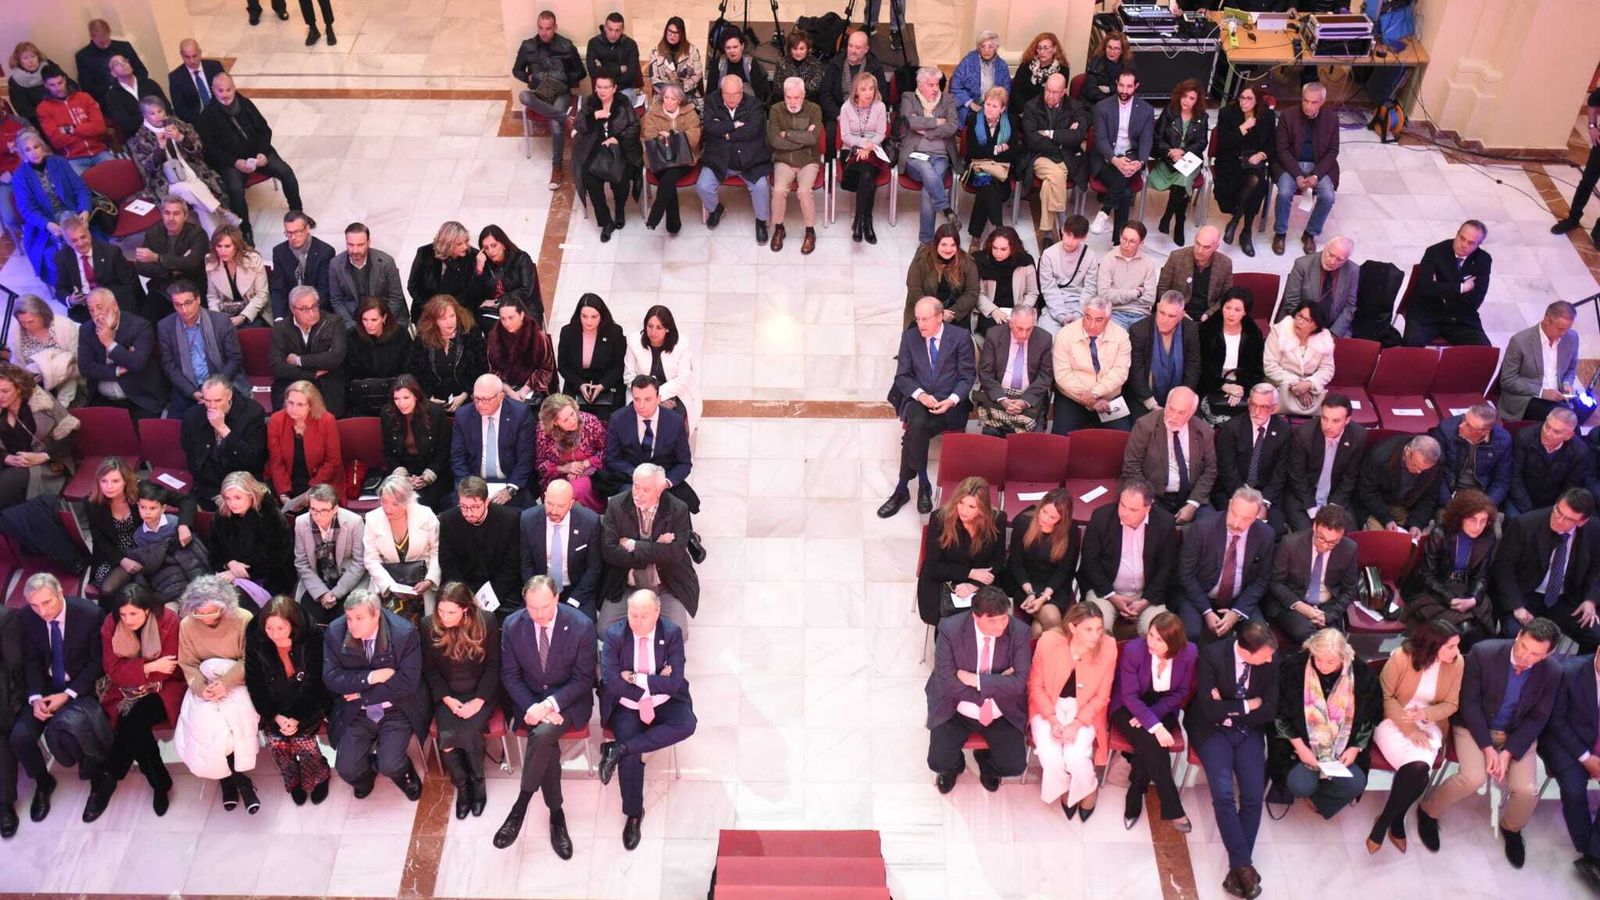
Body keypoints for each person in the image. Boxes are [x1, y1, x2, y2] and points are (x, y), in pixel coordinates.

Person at [1417, 620, 1562, 868]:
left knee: (1527, 790)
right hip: (1476, 727)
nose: (1526, 657)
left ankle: (1512, 829)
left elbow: (1538, 717)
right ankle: (1428, 811)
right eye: (1523, 647)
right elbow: (1469, 704)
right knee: (1472, 778)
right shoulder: (1483, 653)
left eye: (1536, 654)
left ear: (1548, 654)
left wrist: (1507, 753)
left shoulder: (1553, 672)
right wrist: (1487, 748)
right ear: (1518, 635)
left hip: (1516, 734)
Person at [493, 575, 596, 855]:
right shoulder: (513, 625)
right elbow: (510, 676)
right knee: (545, 741)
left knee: (543, 733)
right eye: (532, 608)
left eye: (545, 607)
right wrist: (532, 707)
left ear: (557, 599)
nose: (538, 614)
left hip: (569, 702)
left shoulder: (581, 626)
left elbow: (583, 679)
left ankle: (521, 804)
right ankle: (557, 814)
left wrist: (550, 704)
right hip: (529, 701)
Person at [597, 588, 698, 852]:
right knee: (630, 759)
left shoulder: (671, 633)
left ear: (657, 613)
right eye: (633, 615)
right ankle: (633, 814)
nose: (637, 621)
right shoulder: (615, 635)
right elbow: (612, 683)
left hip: (666, 701)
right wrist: (653, 683)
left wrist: (635, 677)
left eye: (644, 616)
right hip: (627, 704)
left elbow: (674, 683)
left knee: (687, 723)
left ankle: (618, 749)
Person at [8, 574, 111, 824]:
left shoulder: (89, 615)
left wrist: (68, 694)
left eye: (46, 603)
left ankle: (96, 780)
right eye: (34, 605)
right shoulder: (26, 617)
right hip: (43, 688)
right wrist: (35, 698)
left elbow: (97, 662)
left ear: (60, 594)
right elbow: (31, 660)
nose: (41, 611)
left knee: (71, 733)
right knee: (19, 737)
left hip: (77, 687)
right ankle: (44, 783)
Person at [1190, 620, 1279, 899]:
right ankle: (1244, 867)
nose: (1271, 658)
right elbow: (1209, 710)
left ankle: (1239, 867)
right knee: (1224, 795)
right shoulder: (1212, 655)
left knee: (1253, 796)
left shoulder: (1271, 663)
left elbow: (1270, 710)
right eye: (1265, 654)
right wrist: (1247, 704)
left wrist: (1229, 709)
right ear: (1247, 651)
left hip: (1248, 732)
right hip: (1212, 731)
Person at [1366, 618, 1464, 853]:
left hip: (1429, 722)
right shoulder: (1401, 657)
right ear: (1433, 645)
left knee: (1419, 770)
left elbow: (1451, 703)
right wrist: (1409, 729)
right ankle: (1395, 820)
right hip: (1393, 718)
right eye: (1451, 646)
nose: (1457, 651)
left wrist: (1426, 714)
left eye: (1457, 645)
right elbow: (1385, 697)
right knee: (1418, 773)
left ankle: (1385, 820)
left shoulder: (1457, 663)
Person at [323, 589, 428, 800]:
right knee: (347, 769)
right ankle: (365, 776)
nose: (352, 625)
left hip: (396, 707)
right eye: (349, 618)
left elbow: (406, 682)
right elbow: (332, 677)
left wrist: (363, 695)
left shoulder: (403, 633)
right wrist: (372, 677)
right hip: (356, 711)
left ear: (376, 614)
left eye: (359, 618)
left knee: (390, 764)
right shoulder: (335, 632)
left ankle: (403, 773)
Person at [928, 586, 1033, 792]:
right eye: (992, 620)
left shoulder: (1019, 631)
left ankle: (987, 763)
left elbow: (1020, 682)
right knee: (938, 762)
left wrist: (975, 680)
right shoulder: (950, 630)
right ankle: (953, 768)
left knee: (1014, 766)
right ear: (976, 617)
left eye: (1004, 618)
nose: (1001, 625)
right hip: (957, 707)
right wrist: (997, 684)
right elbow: (947, 682)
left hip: (1000, 710)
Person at [1268, 628, 1381, 820]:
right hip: (1300, 748)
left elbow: (1371, 715)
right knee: (1300, 785)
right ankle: (1316, 789)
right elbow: (1279, 714)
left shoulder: (1361, 674)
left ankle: (1320, 799)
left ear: (1343, 657)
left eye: (1331, 661)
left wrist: (1355, 748)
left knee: (1354, 784)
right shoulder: (1293, 668)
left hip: (1342, 747)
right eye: (1318, 659)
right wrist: (1301, 748)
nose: (1323, 666)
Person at [881, 297, 977, 519]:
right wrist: (921, 395)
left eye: (926, 319)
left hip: (950, 404)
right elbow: (902, 376)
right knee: (918, 422)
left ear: (940, 317)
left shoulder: (960, 337)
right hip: (919, 401)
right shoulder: (910, 337)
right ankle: (923, 482)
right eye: (917, 319)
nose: (921, 324)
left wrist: (952, 399)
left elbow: (967, 376)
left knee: (915, 432)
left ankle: (903, 488)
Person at [173, 576, 261, 812]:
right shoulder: (187, 625)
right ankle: (226, 780)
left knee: (231, 726)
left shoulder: (243, 618)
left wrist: (226, 682)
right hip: (204, 683)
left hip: (238, 680)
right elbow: (188, 664)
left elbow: (249, 658)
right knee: (203, 728)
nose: (206, 617)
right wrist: (202, 689)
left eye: (212, 611)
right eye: (199, 613)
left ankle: (242, 782)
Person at [96, 585, 182, 816]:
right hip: (126, 690)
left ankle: (113, 775)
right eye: (123, 614)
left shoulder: (168, 620)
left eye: (133, 614)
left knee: (131, 722)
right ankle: (159, 784)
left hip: (164, 688)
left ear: (147, 610)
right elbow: (113, 670)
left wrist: (142, 671)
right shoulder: (110, 625)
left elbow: (167, 670)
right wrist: (150, 666)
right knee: (133, 724)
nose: (128, 620)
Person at [1028, 600, 1115, 817]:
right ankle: (1065, 787)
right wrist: (1053, 720)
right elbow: (1036, 686)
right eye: (1088, 629)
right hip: (1049, 704)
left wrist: (1076, 724)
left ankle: (1088, 787)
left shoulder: (1108, 647)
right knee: (1050, 755)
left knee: (1075, 756)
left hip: (1085, 708)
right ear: (1073, 627)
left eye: (1098, 628)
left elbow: (1102, 695)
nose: (1095, 635)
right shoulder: (1048, 642)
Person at [1112, 612, 1197, 831]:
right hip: (1127, 705)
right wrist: (1154, 726)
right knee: (1153, 744)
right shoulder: (1134, 650)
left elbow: (1181, 692)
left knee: (1146, 749)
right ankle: (1172, 805)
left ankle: (1135, 793)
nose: (1151, 642)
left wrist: (1152, 717)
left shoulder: (1189, 653)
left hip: (1163, 705)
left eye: (1159, 639)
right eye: (1150, 634)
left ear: (1174, 642)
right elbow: (1129, 696)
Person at [422, 582, 500, 819]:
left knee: (467, 734)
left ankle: (478, 785)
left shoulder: (486, 622)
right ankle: (463, 786)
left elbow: (494, 665)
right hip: (448, 694)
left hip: (480, 692)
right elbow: (430, 670)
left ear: (465, 609)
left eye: (451, 612)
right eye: (441, 611)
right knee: (447, 741)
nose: (444, 617)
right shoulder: (428, 626)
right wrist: (446, 698)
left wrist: (479, 701)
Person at [244, 595, 331, 805]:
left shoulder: (311, 637)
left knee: (303, 743)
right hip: (274, 704)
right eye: (269, 628)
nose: (274, 634)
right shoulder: (257, 639)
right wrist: (275, 715)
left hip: (307, 703)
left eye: (280, 628)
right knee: (277, 745)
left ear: (293, 624)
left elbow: (315, 681)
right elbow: (255, 682)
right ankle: (294, 781)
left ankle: (319, 777)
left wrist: (297, 716)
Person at [199, 74, 303, 242]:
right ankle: (244, 229)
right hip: (232, 161)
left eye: (228, 89)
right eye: (220, 90)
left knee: (286, 172)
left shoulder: (245, 104)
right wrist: (235, 162)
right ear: (213, 90)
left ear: (234, 88)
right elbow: (210, 149)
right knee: (235, 190)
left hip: (259, 153)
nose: (225, 94)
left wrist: (262, 152)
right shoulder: (207, 116)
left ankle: (297, 213)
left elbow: (264, 130)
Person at [1493, 488, 1600, 649]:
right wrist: (1516, 605)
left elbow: (1597, 568)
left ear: (1581, 521)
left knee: (1596, 636)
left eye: (1568, 519)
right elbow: (1503, 567)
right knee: (1513, 634)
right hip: (1526, 596)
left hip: (1566, 599)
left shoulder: (1594, 529)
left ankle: (1575, 671)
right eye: (1558, 511)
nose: (1559, 519)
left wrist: (1590, 600)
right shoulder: (1525, 524)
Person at [598, 464, 699, 635]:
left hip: (665, 583)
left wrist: (633, 545)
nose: (638, 494)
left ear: (660, 490)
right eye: (636, 487)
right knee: (604, 630)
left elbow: (674, 554)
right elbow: (609, 552)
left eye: (646, 489)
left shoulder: (678, 509)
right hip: (625, 583)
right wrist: (656, 547)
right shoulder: (616, 505)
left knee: (677, 632)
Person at [84, 456, 196, 605]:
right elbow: (98, 539)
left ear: (125, 480)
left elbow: (185, 500)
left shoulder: (141, 489)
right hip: (115, 553)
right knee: (108, 590)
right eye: (104, 481)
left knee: (142, 589)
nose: (108, 486)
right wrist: (122, 560)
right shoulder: (92, 503)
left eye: (115, 481)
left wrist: (183, 525)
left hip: (146, 547)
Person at [1079, 478, 1177, 633]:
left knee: (1160, 634)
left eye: (1133, 510)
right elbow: (1090, 562)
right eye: (1122, 505)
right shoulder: (1101, 517)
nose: (1124, 513)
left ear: (1148, 508)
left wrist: (1145, 601)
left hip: (1147, 595)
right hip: (1105, 592)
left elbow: (1166, 567)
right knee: (1097, 631)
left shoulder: (1165, 522)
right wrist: (1111, 596)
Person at [1402, 490, 1498, 647]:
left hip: (1465, 589)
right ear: (1460, 517)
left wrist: (1473, 599)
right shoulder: (1441, 533)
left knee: (1479, 626)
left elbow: (1481, 575)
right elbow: (1427, 575)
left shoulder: (1488, 537)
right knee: (1465, 629)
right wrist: (1450, 599)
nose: (1478, 526)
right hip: (1436, 591)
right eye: (1473, 520)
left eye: (1483, 521)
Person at [1179, 487, 1274, 643]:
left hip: (1239, 599)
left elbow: (1261, 580)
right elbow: (1186, 574)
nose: (1237, 523)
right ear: (1229, 505)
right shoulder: (1202, 528)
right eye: (1234, 514)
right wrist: (1207, 611)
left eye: (1246, 519)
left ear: (1257, 516)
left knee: (1259, 637)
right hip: (1201, 595)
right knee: (1191, 631)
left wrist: (1237, 612)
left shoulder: (1265, 535)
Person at [1541, 650, 1600, 885]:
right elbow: (1556, 721)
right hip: (1564, 741)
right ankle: (1590, 851)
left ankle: (1594, 858)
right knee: (1574, 790)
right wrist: (1587, 758)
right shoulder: (1569, 672)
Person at [916, 476, 1007, 626]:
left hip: (980, 581)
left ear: (983, 508)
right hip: (943, 578)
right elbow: (933, 567)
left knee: (979, 623)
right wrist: (970, 573)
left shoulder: (997, 520)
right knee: (948, 623)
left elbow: (998, 561)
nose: (963, 511)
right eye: (961, 503)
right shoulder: (939, 519)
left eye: (972, 507)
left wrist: (974, 584)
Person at [156, 278, 249, 419]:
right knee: (180, 428)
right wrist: (191, 392)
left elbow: (234, 359)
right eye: (177, 305)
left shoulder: (221, 321)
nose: (184, 310)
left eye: (188, 303)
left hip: (221, 381)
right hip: (187, 386)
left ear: (198, 299)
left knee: (237, 420)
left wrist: (213, 388)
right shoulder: (165, 326)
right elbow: (169, 366)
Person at [10, 127, 94, 282]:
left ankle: (94, 272)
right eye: (28, 150)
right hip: (46, 221)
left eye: (36, 147)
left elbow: (80, 188)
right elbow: (27, 209)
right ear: (22, 154)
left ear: (42, 146)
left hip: (72, 211)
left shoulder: (59, 162)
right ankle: (75, 280)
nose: (34, 152)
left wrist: (85, 210)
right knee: (54, 253)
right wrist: (47, 224)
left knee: (89, 237)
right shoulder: (20, 176)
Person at [513, 10, 586, 189]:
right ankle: (566, 119)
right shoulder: (528, 46)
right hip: (539, 92)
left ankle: (557, 167)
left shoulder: (566, 46)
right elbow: (517, 70)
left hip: (560, 91)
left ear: (555, 27)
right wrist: (528, 78)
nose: (544, 32)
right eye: (541, 28)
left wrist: (561, 78)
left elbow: (581, 73)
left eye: (548, 28)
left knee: (554, 124)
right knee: (523, 96)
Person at [1122, 386, 1216, 521]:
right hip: (1153, 495)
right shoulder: (1144, 426)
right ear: (1165, 404)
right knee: (1158, 531)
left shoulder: (1204, 431)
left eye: (1181, 413)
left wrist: (1193, 504)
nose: (1173, 416)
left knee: (1209, 528)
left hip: (1191, 495)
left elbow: (1210, 470)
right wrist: (1149, 501)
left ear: (1192, 412)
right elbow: (1131, 467)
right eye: (1171, 409)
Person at [698, 75, 773, 243]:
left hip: (750, 159)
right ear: (721, 92)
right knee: (703, 186)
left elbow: (752, 130)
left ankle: (761, 221)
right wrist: (733, 125)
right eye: (727, 94)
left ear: (742, 91)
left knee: (761, 188)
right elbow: (710, 127)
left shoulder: (754, 104)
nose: (731, 98)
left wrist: (724, 134)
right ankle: (716, 209)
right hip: (718, 158)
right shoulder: (711, 100)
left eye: (736, 94)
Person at [1268, 505, 1359, 641]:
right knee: (1311, 636)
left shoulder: (1349, 549)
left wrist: (1328, 615)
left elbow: (1350, 589)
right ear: (1315, 526)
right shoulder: (1290, 544)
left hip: (1327, 606)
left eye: (1333, 542)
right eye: (1321, 538)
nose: (1325, 545)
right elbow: (1275, 583)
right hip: (1295, 602)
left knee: (1335, 639)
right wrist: (1303, 608)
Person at [1025, 72, 1094, 249]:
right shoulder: (1031, 106)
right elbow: (1032, 140)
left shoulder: (1075, 107)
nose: (1050, 95)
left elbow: (1078, 137)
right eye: (1048, 90)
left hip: (1066, 158)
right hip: (1039, 157)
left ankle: (1047, 231)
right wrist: (1063, 142)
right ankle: (1064, 224)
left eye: (1055, 92)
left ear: (1063, 92)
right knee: (1057, 175)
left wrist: (1050, 134)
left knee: (1052, 182)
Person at [362, 475, 442, 622]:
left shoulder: (426, 515)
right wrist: (390, 586)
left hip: (422, 583)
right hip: (388, 584)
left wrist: (430, 580)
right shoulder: (373, 519)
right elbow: (371, 559)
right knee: (386, 622)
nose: (388, 508)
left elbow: (436, 551)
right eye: (384, 502)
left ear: (407, 501)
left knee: (426, 624)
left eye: (395, 504)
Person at [180, 375, 269, 508]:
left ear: (229, 396)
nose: (212, 406)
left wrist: (222, 428)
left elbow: (254, 459)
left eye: (217, 400)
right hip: (208, 484)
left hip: (241, 481)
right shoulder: (192, 416)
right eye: (207, 400)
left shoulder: (252, 412)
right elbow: (191, 455)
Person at [520, 479, 604, 618]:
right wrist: (536, 593)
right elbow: (526, 564)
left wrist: (575, 599)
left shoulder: (589, 522)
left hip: (577, 589)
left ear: (571, 503)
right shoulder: (528, 519)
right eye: (549, 504)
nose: (553, 511)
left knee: (583, 627)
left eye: (560, 506)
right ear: (544, 497)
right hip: (541, 587)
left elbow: (594, 568)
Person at [1272, 83, 1339, 257]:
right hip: (1291, 164)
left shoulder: (1332, 119)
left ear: (1322, 102)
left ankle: (1310, 234)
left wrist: (1316, 175)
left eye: (1314, 102)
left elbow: (1333, 151)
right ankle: (1280, 233)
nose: (1309, 106)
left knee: (1328, 196)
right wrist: (1297, 174)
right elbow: (1282, 149)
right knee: (1285, 192)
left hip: (1318, 166)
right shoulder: (1288, 115)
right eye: (1306, 101)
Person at [438, 477, 522, 616]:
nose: (469, 513)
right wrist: (465, 594)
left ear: (487, 502)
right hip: (463, 585)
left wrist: (494, 595)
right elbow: (448, 563)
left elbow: (512, 565)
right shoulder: (448, 519)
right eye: (463, 507)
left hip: (500, 586)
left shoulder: (508, 519)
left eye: (475, 507)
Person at [0, 363, 77, 512]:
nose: (0, 396)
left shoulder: (42, 404)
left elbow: (70, 436)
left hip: (49, 463)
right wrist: (7, 458)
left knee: (10, 482)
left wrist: (42, 456)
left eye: (5, 391)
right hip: (12, 465)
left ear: (19, 388)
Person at [573, 74, 641, 242]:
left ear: (614, 88)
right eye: (599, 87)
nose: (602, 91)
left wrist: (618, 139)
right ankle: (605, 221)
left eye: (606, 87)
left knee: (621, 177)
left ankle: (619, 210)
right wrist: (594, 116)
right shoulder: (590, 102)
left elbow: (635, 126)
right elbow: (578, 125)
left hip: (619, 148)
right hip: (595, 148)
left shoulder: (623, 102)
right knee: (590, 179)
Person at [1212, 384, 1289, 532]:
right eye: (1253, 405)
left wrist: (1264, 502)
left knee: (1274, 530)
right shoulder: (1231, 428)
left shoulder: (1284, 431)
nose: (1257, 411)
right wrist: (1245, 502)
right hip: (1232, 491)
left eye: (1264, 407)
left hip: (1266, 494)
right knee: (1230, 525)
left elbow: (1280, 473)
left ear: (1274, 408)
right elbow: (1227, 470)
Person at [451, 374, 536, 506]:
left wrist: (510, 489)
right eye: (476, 398)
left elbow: (525, 459)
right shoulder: (463, 416)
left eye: (485, 399)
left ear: (501, 397)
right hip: (475, 482)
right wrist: (469, 488)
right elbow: (458, 459)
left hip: (509, 482)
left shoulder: (519, 414)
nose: (479, 404)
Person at [1050, 296, 1132, 434]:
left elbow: (1120, 373)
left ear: (1108, 319)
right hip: (1073, 397)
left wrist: (1095, 393)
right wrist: (1092, 401)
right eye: (1088, 317)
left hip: (1108, 399)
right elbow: (1063, 375)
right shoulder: (1065, 334)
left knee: (1124, 437)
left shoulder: (1121, 336)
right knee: (1060, 440)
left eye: (1099, 320)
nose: (1091, 324)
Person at [1088, 71, 1155, 239]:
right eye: (1121, 85)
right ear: (1116, 83)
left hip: (1131, 159)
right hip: (1106, 160)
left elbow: (1147, 140)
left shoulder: (1146, 110)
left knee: (1124, 190)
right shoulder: (1102, 107)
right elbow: (1100, 140)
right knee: (1124, 192)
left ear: (1136, 86)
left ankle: (1105, 213)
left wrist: (1140, 162)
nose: (1124, 90)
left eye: (1129, 86)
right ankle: (1118, 241)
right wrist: (1115, 160)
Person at [1404, 221, 1493, 346]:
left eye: (1471, 243)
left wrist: (1440, 288)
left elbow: (1476, 298)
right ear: (1457, 234)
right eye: (1462, 238)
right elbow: (1425, 288)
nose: (1464, 245)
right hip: (1427, 314)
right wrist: (1461, 287)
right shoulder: (1435, 252)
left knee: (1483, 349)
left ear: (1478, 245)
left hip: (1460, 318)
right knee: (1411, 344)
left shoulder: (1483, 260)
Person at [292, 484, 368, 629]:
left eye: (323, 511)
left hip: (347, 582)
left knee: (345, 622)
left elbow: (359, 562)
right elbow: (301, 563)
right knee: (308, 623)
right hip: (315, 582)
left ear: (335, 509)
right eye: (313, 510)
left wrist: (336, 593)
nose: (317, 515)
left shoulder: (354, 522)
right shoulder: (301, 522)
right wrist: (321, 593)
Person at [211, 471, 296, 599]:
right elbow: (214, 550)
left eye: (237, 497)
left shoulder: (270, 515)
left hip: (269, 578)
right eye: (228, 498)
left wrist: (241, 573)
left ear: (251, 495)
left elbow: (278, 557)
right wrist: (229, 563)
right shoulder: (221, 515)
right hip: (229, 572)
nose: (232, 503)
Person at [1005, 490, 1078, 636]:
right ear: (1041, 506)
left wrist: (1044, 597)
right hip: (1024, 583)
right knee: (1051, 618)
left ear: (1062, 519)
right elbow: (1016, 564)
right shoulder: (1023, 522)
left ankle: (1034, 656)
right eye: (1044, 512)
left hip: (1054, 586)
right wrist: (1031, 593)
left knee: (1039, 629)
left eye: (1053, 517)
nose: (1045, 519)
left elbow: (1065, 570)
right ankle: (1060, 655)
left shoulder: (1071, 530)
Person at [900, 67, 960, 245]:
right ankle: (947, 209)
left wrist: (927, 132)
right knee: (927, 170)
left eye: (937, 85)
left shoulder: (947, 99)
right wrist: (937, 121)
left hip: (941, 156)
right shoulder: (908, 97)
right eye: (930, 85)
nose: (935, 89)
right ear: (920, 84)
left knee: (929, 188)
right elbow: (910, 121)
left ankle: (925, 243)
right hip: (914, 154)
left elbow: (952, 126)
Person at [1214, 86, 1276, 257]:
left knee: (1256, 182)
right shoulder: (1227, 113)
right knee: (1253, 183)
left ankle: (1237, 225)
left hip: (1254, 160)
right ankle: (1245, 231)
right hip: (1231, 159)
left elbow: (1272, 144)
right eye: (1242, 97)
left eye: (1249, 98)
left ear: (1257, 100)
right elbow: (1223, 144)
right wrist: (1243, 128)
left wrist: (1262, 154)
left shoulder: (1268, 116)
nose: (1244, 102)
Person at [1149, 79, 1209, 247]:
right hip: (1168, 158)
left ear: (1197, 101)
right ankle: (1179, 222)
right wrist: (1171, 152)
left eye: (1191, 98)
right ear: (1179, 95)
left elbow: (1202, 143)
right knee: (1181, 183)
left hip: (1190, 159)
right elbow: (1158, 137)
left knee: (1183, 178)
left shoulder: (1202, 117)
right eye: (1184, 96)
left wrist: (1183, 151)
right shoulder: (1169, 112)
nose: (1186, 101)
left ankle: (1170, 217)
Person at [975, 304, 1052, 435]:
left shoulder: (1044, 338)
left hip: (1029, 395)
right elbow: (985, 373)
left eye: (1029, 329)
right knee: (992, 438)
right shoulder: (994, 335)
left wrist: (1024, 402)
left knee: (1033, 442)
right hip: (999, 395)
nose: (1024, 335)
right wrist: (1003, 400)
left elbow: (1045, 376)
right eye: (1019, 329)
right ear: (1010, 323)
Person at [269, 285, 347, 415]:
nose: (311, 313)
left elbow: (335, 358)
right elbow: (277, 367)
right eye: (304, 309)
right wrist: (312, 374)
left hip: (327, 382)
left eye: (314, 306)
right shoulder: (280, 329)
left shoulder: (334, 323)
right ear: (292, 309)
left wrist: (299, 360)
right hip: (292, 381)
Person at [623, 305, 700, 435]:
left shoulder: (682, 344)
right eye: (650, 326)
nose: (653, 332)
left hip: (673, 393)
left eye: (659, 327)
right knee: (634, 425)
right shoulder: (634, 341)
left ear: (667, 329)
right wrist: (651, 397)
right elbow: (629, 376)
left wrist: (659, 397)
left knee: (672, 425)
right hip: (642, 392)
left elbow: (682, 379)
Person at [766, 77, 823, 254]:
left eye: (796, 97)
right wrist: (802, 137)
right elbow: (774, 141)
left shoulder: (814, 109)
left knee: (804, 191)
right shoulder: (775, 110)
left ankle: (810, 231)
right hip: (784, 160)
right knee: (778, 190)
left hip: (808, 160)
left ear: (803, 95)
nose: (792, 102)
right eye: (788, 97)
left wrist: (787, 134)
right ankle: (779, 228)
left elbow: (813, 139)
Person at [266, 380, 342, 511]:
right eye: (290, 403)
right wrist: (284, 493)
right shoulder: (276, 420)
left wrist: (310, 492)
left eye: (300, 404)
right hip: (286, 480)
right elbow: (276, 462)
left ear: (311, 406)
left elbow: (332, 462)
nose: (293, 409)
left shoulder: (326, 421)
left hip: (320, 480)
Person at [1498, 301, 1580, 423]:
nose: (1563, 334)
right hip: (1526, 398)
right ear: (1546, 320)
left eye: (1567, 329)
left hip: (1558, 397)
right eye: (1560, 329)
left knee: (1571, 420)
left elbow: (1571, 368)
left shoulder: (1572, 338)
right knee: (1563, 420)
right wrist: (1541, 392)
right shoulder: (1520, 341)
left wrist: (1566, 383)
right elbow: (1508, 380)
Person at [55, 213, 145, 322]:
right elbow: (60, 289)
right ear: (67, 242)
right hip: (84, 309)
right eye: (74, 240)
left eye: (83, 237)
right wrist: (70, 300)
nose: (81, 243)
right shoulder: (62, 258)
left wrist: (104, 301)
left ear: (89, 234)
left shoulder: (111, 252)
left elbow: (128, 285)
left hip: (113, 302)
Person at [381, 375, 452, 509]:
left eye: (406, 398)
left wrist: (427, 477)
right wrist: (402, 476)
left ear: (416, 396)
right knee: (394, 499)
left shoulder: (435, 413)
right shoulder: (387, 414)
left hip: (433, 470)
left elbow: (444, 450)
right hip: (404, 471)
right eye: (397, 399)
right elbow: (388, 450)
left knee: (424, 502)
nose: (401, 403)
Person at [409, 295, 488, 414]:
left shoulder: (470, 333)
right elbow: (414, 370)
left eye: (452, 316)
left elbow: (481, 367)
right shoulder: (423, 338)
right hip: (434, 401)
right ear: (434, 321)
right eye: (443, 318)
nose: (450, 322)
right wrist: (427, 397)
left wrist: (466, 394)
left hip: (467, 399)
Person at [640, 84, 701, 236]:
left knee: (669, 177)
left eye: (673, 98)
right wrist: (674, 136)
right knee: (669, 177)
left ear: (679, 100)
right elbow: (649, 135)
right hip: (660, 158)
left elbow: (694, 137)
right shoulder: (652, 113)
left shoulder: (690, 113)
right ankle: (672, 225)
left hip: (684, 158)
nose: (668, 101)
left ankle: (656, 215)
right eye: (666, 97)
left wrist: (672, 136)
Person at [963, 87, 1019, 249]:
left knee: (986, 190)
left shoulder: (1011, 122)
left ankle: (976, 237)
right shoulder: (974, 120)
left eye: (994, 106)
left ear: (1002, 109)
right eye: (987, 104)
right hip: (978, 169)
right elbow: (973, 151)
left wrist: (988, 151)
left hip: (1002, 173)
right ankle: (999, 230)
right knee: (987, 184)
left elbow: (1013, 152)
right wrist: (997, 149)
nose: (989, 109)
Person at [137, 198, 211, 322]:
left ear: (185, 215)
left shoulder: (197, 234)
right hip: (161, 289)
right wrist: (172, 270)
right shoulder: (153, 233)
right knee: (147, 324)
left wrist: (157, 258)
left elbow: (193, 263)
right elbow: (141, 267)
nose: (170, 218)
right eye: (167, 213)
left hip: (191, 286)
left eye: (176, 214)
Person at [1198, 292, 1265, 426]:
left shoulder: (1253, 333)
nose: (1231, 313)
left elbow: (1257, 370)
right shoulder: (1207, 330)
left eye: (1237, 310)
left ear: (1245, 312)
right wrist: (1223, 386)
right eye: (1227, 308)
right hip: (1211, 387)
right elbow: (1200, 368)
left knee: (1250, 419)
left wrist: (1240, 389)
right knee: (1226, 421)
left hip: (1242, 388)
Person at [556, 293, 627, 420]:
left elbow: (619, 366)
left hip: (606, 384)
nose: (588, 321)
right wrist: (580, 384)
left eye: (594, 317)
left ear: (602, 316)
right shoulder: (568, 332)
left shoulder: (614, 332)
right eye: (584, 316)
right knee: (570, 419)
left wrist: (602, 385)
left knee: (610, 420)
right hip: (576, 383)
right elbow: (563, 366)